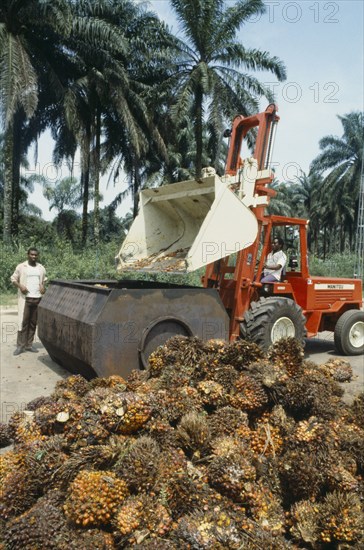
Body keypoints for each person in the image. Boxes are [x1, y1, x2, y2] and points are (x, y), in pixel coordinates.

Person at [11, 247, 47, 356]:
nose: (34, 257)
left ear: (38, 256)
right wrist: (20, 286)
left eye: (36, 255)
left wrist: (43, 288)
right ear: (28, 255)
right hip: (26, 298)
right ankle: (20, 346)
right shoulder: (22, 267)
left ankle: (29, 345)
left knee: (33, 323)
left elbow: (44, 280)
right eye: (32, 254)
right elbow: (13, 279)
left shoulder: (41, 268)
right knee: (23, 322)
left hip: (37, 298)